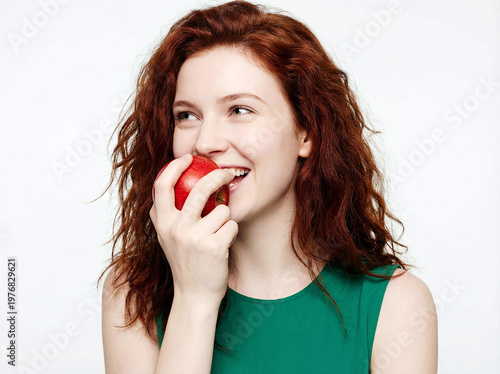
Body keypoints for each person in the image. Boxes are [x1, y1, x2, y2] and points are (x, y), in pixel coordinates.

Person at [100, 1, 438, 373]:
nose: (205, 142)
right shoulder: (134, 295)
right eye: (187, 116)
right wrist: (194, 298)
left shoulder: (395, 305)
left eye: (239, 110)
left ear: (305, 131)